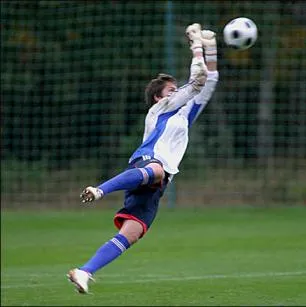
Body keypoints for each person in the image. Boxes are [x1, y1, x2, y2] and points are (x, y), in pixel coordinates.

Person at [67, 23, 219, 294]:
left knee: (132, 233)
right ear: (157, 98)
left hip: (157, 186)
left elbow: (210, 80)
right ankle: (100, 190)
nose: (175, 92)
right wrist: (196, 44)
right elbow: (197, 81)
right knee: (157, 170)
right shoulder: (159, 110)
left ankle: (84, 271)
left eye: (175, 89)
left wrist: (211, 47)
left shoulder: (184, 115)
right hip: (147, 163)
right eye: (170, 89)